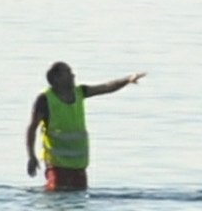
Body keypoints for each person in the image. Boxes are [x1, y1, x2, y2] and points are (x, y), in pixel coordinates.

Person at [27, 60, 141, 189]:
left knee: (78, 203)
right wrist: (32, 156)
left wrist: (127, 80)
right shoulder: (45, 100)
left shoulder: (80, 92)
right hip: (57, 166)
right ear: (56, 79)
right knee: (57, 200)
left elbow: (106, 87)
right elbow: (32, 129)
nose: (73, 75)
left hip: (79, 166)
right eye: (68, 72)